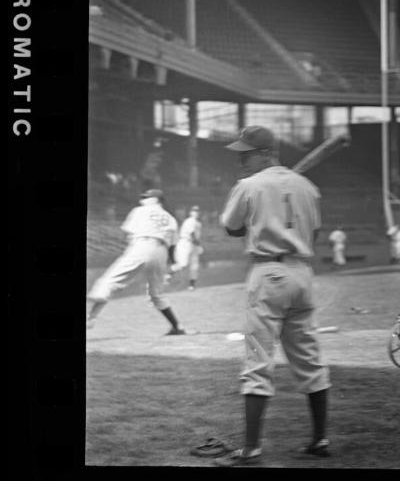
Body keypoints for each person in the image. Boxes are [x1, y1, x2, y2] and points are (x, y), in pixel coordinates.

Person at [215, 125, 331, 467]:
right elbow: (316, 232)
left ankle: (251, 450)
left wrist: (261, 213)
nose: (240, 159)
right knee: (309, 358)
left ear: (266, 153)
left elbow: (232, 228)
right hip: (302, 274)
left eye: (246, 153)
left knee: (257, 360)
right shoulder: (307, 186)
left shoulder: (248, 186)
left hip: (267, 274)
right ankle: (320, 439)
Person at [86, 189, 192, 336]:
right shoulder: (170, 218)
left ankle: (92, 316)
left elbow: (128, 233)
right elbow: (173, 246)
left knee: (108, 282)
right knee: (157, 295)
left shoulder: (140, 210)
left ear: (156, 200)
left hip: (142, 246)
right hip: (161, 251)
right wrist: (172, 264)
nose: (143, 199)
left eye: (147, 197)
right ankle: (177, 327)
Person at [170, 205, 203, 290]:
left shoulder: (198, 223)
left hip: (193, 244)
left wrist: (198, 245)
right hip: (185, 243)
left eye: (197, 211)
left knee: (194, 266)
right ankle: (168, 274)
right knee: (182, 264)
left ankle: (192, 285)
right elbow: (192, 234)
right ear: (190, 212)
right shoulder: (190, 221)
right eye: (194, 211)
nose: (196, 213)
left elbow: (197, 237)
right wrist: (199, 245)